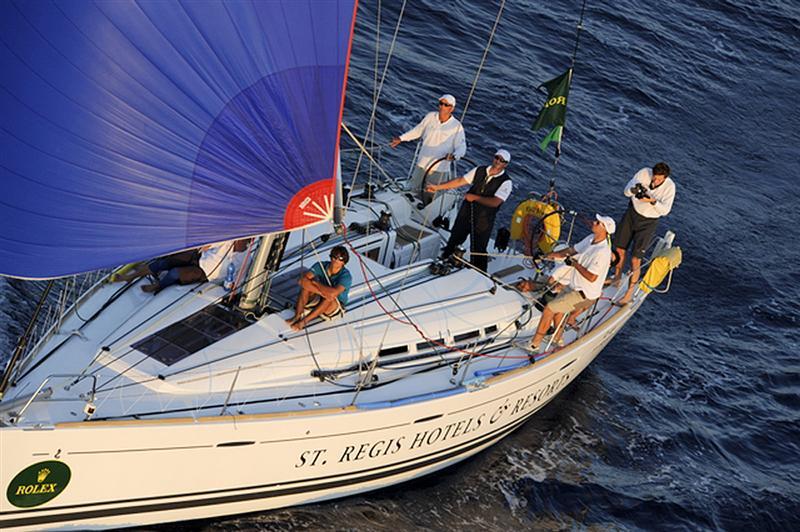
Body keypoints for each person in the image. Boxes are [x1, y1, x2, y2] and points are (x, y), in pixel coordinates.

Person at [530, 214, 615, 351]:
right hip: (574, 287)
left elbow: (592, 277)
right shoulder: (590, 239)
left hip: (585, 295)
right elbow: (570, 251)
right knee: (558, 311)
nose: (594, 222)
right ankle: (558, 339)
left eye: (598, 223)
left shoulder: (602, 252)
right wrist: (546, 256)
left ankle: (534, 344)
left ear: (605, 230)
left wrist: (575, 264)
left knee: (549, 309)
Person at [427, 149, 513, 273]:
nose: (498, 161)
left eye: (502, 160)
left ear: (506, 164)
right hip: (466, 212)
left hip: (484, 218)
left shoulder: (506, 182)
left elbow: (495, 202)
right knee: (455, 238)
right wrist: (437, 187)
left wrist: (475, 198)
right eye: (497, 158)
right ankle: (445, 260)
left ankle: (479, 273)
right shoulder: (479, 170)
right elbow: (460, 181)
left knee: (479, 247)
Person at [611, 162, 676, 305]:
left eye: (659, 179)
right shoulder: (644, 173)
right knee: (620, 249)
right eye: (654, 178)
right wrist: (635, 190)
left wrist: (652, 201)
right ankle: (617, 278)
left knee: (636, 259)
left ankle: (628, 294)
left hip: (648, 223)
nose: (655, 181)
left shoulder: (670, 187)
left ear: (665, 178)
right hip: (632, 213)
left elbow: (665, 211)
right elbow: (626, 192)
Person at [390, 93, 467, 204]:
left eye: (446, 105)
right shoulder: (430, 116)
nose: (442, 107)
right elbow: (417, 131)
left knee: (430, 197)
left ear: (452, 108)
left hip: (439, 169)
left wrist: (454, 156)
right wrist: (401, 138)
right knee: (413, 192)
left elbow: (461, 147)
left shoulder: (457, 126)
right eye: (441, 103)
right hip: (421, 164)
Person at [288, 245, 353, 331]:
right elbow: (302, 281)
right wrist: (323, 292)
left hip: (335, 304)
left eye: (340, 258)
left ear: (344, 262)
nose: (336, 260)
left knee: (329, 298)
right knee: (306, 288)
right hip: (323, 295)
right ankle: (297, 316)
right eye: (334, 256)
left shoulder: (346, 276)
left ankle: (303, 322)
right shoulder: (321, 266)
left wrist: (316, 283)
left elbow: (334, 293)